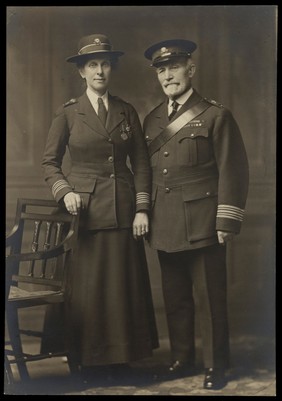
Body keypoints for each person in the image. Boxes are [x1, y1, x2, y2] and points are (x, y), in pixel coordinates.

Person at [41, 33, 159, 382]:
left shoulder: (126, 111)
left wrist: (142, 209)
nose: (99, 71)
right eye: (92, 64)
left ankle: (122, 358)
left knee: (121, 287)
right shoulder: (67, 113)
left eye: (105, 63)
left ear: (112, 68)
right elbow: (49, 163)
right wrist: (65, 192)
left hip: (123, 209)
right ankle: (86, 358)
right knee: (90, 289)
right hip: (85, 213)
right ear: (81, 71)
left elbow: (141, 163)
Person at [143, 39, 249, 390]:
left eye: (174, 67)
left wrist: (226, 219)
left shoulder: (216, 114)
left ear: (190, 69)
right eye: (161, 70)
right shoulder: (153, 118)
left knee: (209, 298)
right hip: (164, 221)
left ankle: (216, 364)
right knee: (175, 298)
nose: (168, 75)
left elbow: (233, 169)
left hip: (203, 220)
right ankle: (182, 358)